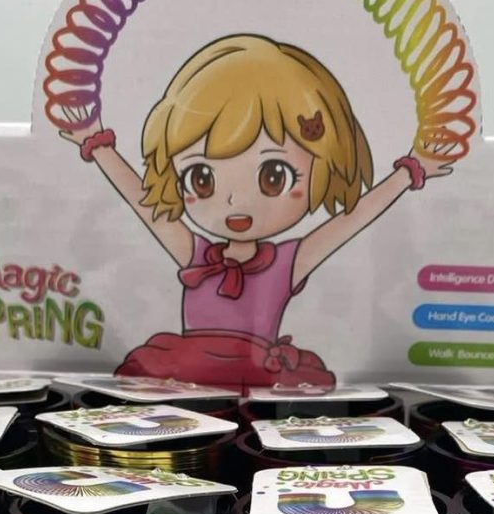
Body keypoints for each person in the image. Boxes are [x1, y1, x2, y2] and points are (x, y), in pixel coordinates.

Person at [59, 34, 453, 391]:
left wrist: (408, 174)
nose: (236, 203)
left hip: (261, 376)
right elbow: (144, 204)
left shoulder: (285, 262)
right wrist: (99, 148)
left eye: (273, 176)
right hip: (188, 375)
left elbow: (351, 221)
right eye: (202, 179)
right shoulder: (198, 254)